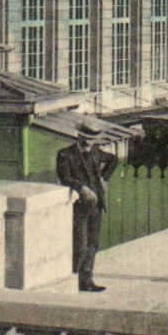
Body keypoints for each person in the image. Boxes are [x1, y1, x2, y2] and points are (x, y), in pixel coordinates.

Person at [56, 125, 119, 293]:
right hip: (79, 206)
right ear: (78, 136)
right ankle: (70, 279)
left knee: (93, 244)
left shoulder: (96, 152)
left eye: (92, 140)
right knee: (80, 245)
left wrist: (104, 178)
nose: (89, 142)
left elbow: (114, 160)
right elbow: (65, 177)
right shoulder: (65, 154)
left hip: (96, 205)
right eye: (86, 139)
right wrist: (81, 188)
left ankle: (86, 281)